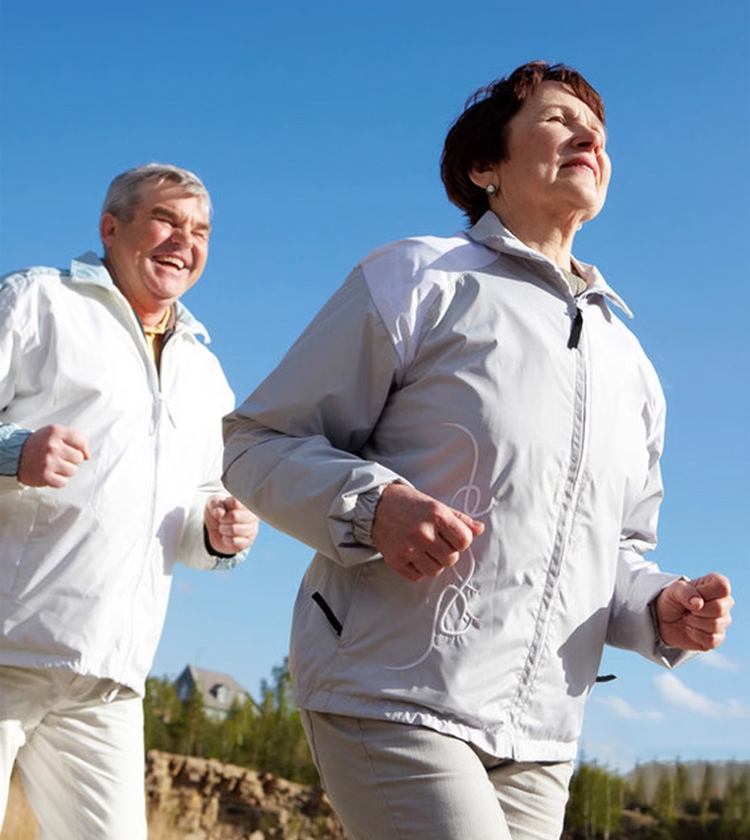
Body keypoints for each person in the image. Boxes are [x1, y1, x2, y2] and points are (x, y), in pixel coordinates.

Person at [222, 62, 734, 840]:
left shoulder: (633, 368)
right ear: (484, 166)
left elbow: (616, 552)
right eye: (558, 119)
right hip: (394, 692)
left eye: (597, 130)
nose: (589, 137)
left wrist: (659, 609)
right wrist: (377, 508)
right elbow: (259, 443)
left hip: (541, 739)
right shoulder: (416, 278)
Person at [0, 164, 259, 840]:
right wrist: (14, 455)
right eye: (166, 220)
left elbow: (195, 515)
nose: (184, 241)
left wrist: (220, 533)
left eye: (200, 231)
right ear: (110, 228)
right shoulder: (37, 302)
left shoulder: (206, 374)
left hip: (109, 678)